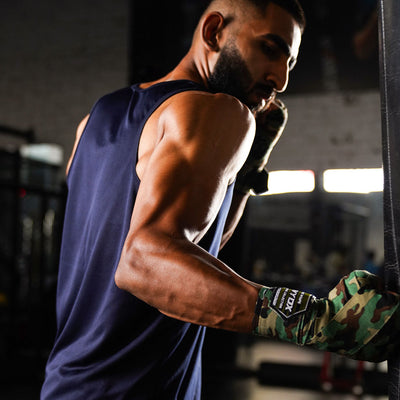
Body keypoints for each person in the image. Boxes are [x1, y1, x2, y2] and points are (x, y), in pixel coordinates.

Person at [41, 1, 400, 399]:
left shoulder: (92, 121)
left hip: (64, 385)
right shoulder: (218, 110)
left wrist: (245, 176)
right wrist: (314, 320)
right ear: (214, 31)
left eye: (290, 64)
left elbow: (189, 251)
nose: (280, 78)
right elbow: (143, 263)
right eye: (269, 48)